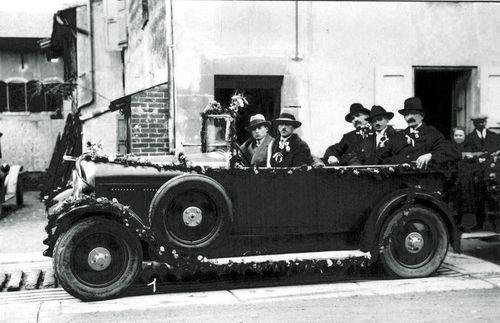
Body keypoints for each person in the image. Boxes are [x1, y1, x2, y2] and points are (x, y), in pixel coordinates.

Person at [384, 97, 460, 169]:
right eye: (406, 114)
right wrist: (401, 163)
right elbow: (383, 158)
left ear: (422, 116)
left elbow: (451, 152)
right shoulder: (398, 136)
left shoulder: (433, 134)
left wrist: (431, 156)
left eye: (413, 113)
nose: (409, 117)